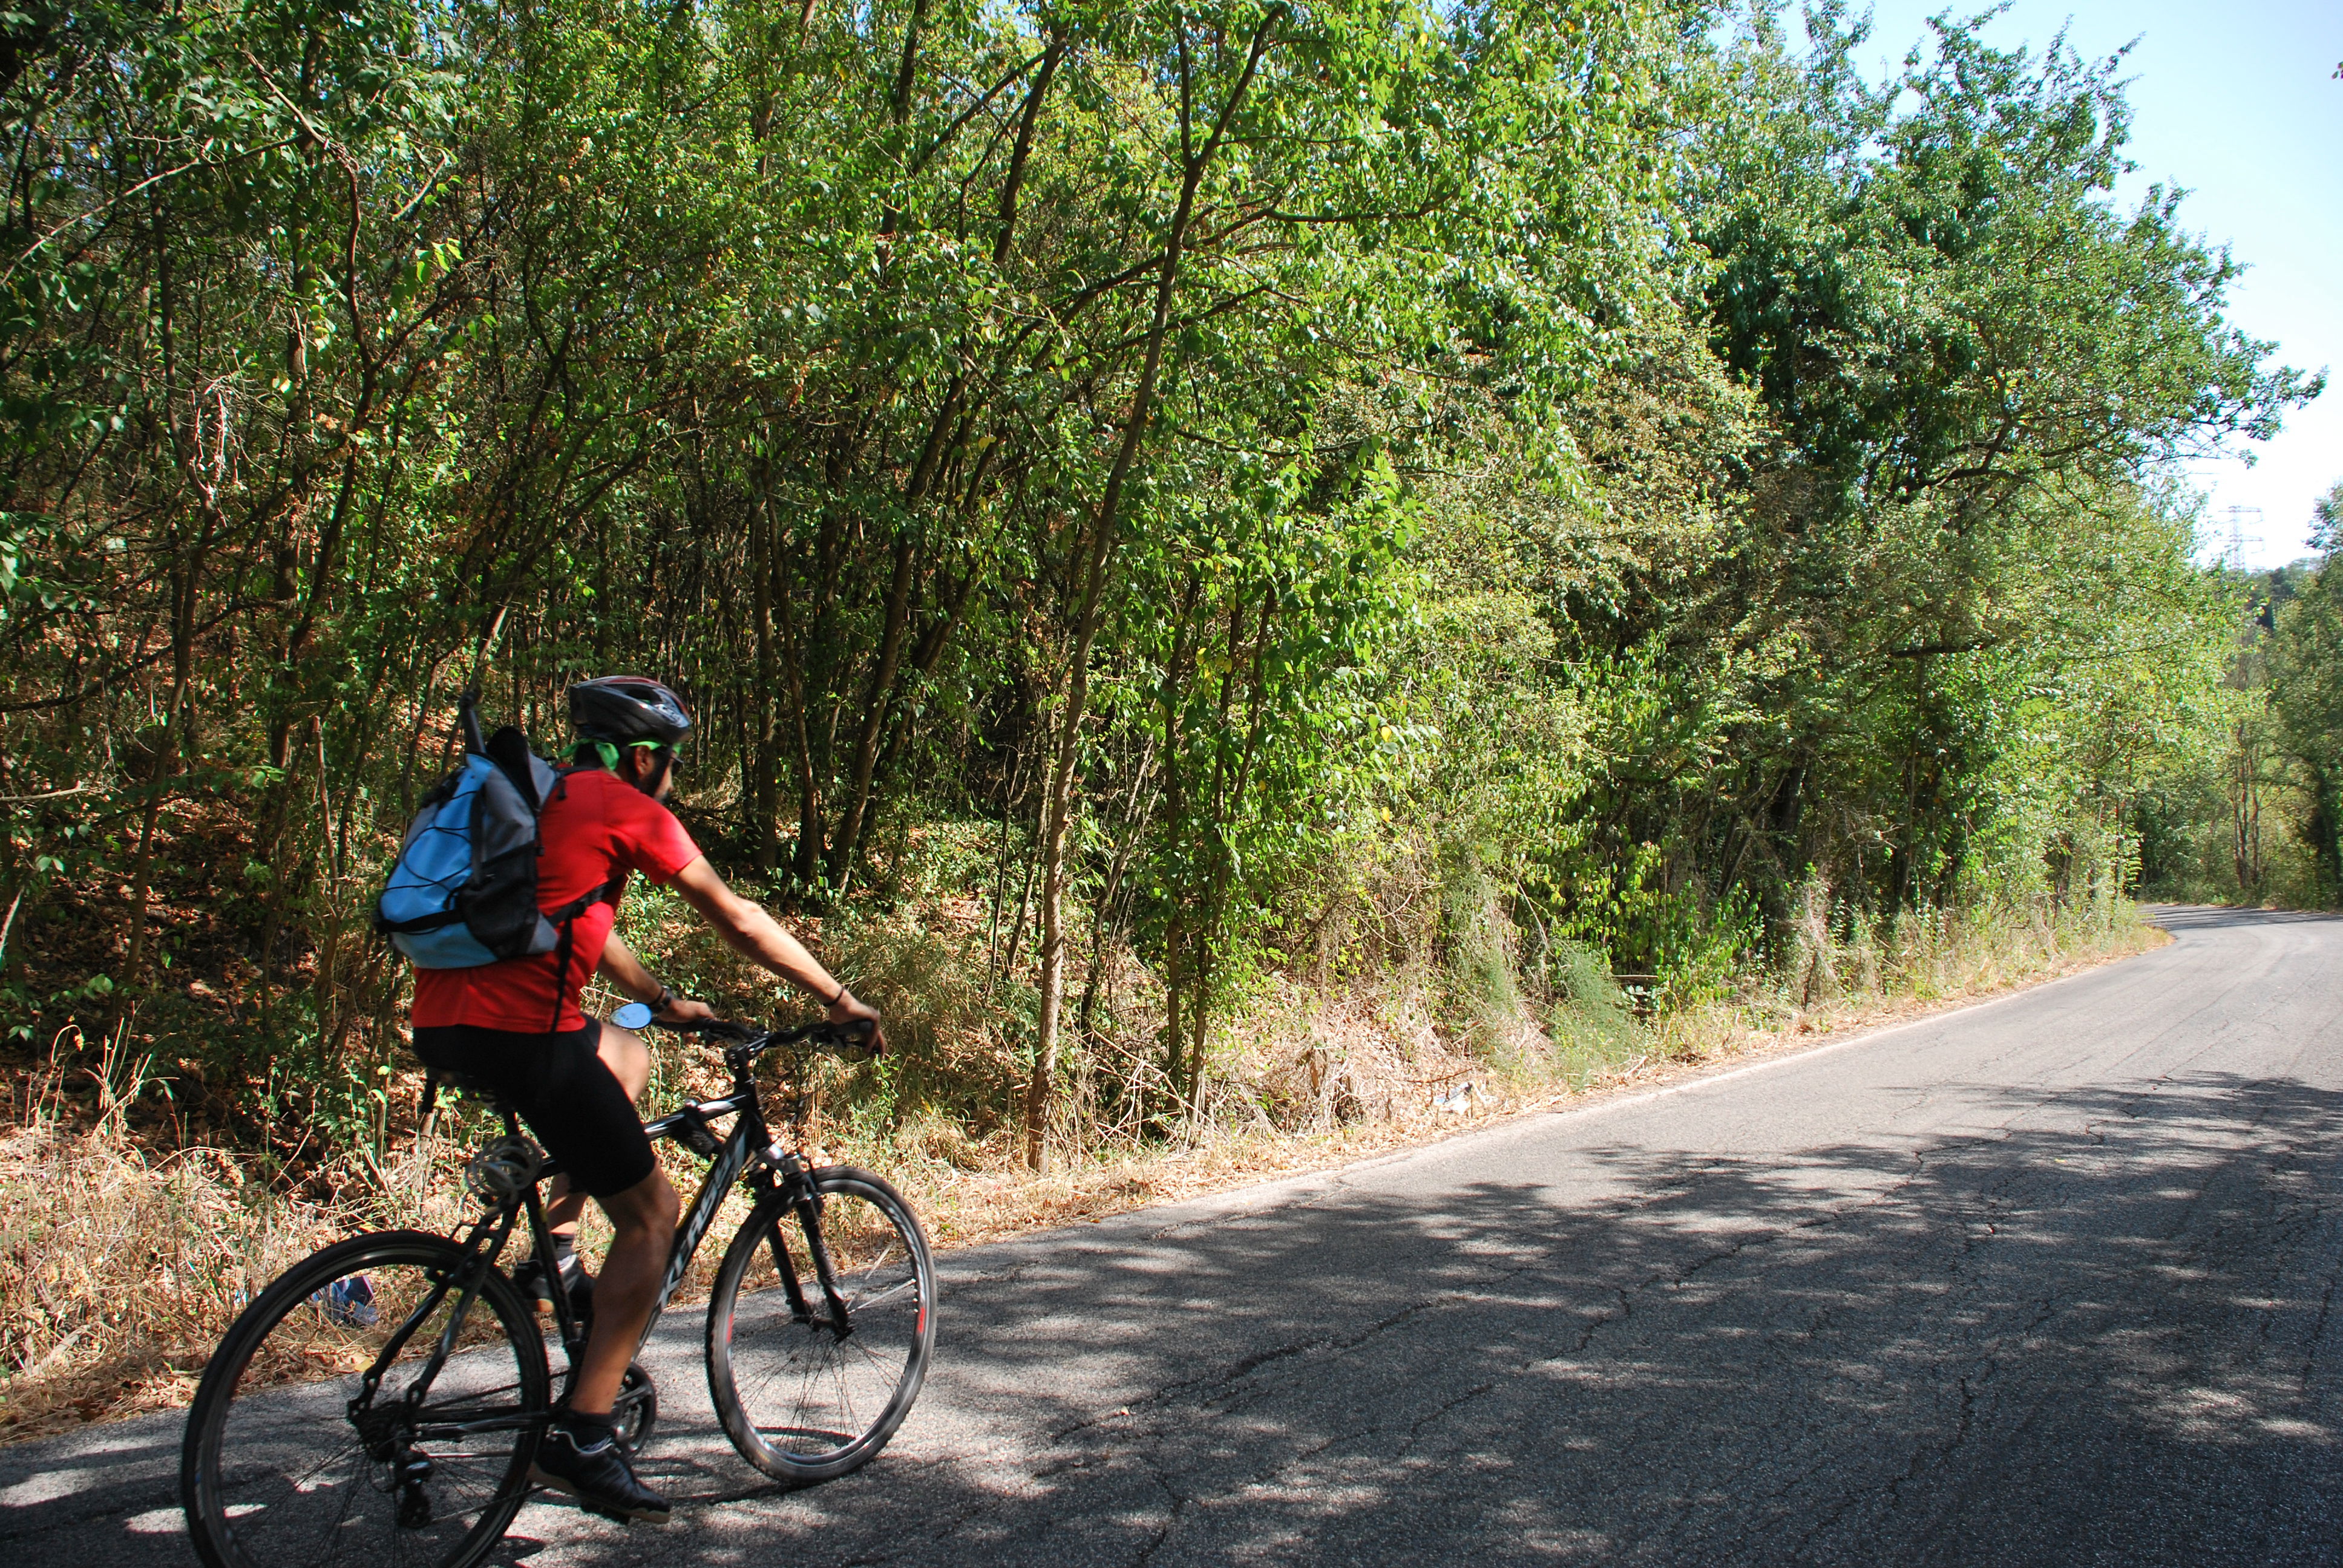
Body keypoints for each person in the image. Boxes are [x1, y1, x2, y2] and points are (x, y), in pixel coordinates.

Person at [407, 675, 883, 1524]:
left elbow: (582, 923)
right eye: (669, 762)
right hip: (526, 1038)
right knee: (654, 1217)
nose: (673, 778)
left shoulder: (539, 797)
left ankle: (554, 1251)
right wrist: (838, 1000)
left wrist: (662, 1004)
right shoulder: (622, 806)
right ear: (639, 756)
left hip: (445, 1024)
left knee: (625, 1053)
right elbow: (737, 918)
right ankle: (585, 1438)